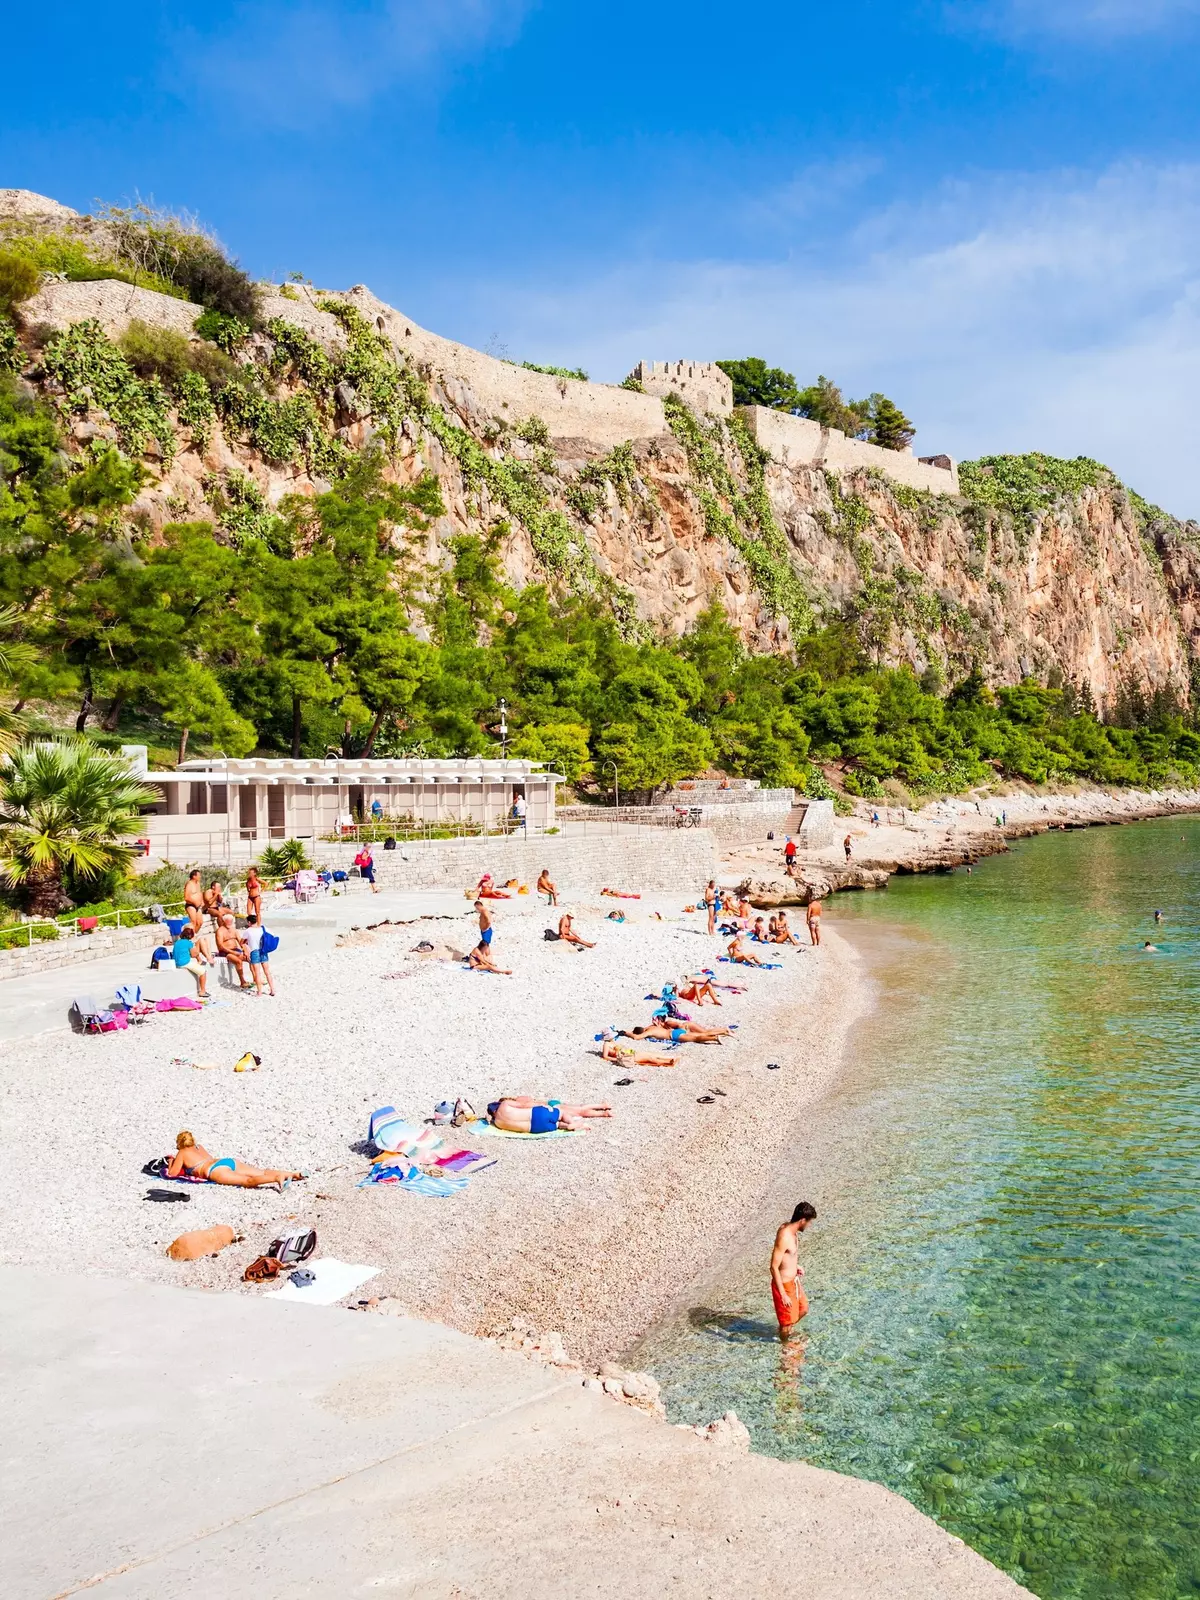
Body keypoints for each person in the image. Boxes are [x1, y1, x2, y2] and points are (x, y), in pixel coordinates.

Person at [167, 1131, 304, 1192]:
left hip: (215, 1171)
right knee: (261, 1172)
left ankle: (276, 1178)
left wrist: (171, 1161)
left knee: (247, 1182)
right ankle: (294, 1174)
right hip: (226, 1161)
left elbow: (172, 1173)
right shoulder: (199, 1147)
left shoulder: (182, 1153)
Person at [771, 1201, 817, 1339]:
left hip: (794, 1281)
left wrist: (795, 1266)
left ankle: (785, 1331)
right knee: (787, 1323)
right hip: (784, 1285)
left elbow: (787, 1256)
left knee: (803, 1309)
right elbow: (773, 1266)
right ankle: (785, 1345)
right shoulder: (785, 1236)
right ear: (802, 1220)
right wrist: (783, 1293)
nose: (809, 1226)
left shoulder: (792, 1230)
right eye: (809, 1222)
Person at [487, 1096, 611, 1133]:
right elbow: (524, 1105)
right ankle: (572, 1123)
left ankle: (569, 1126)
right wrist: (544, 1106)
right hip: (539, 1113)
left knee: (557, 1124)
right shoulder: (505, 1105)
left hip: (535, 1128)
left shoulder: (498, 1123)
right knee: (567, 1112)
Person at [214, 913, 253, 990]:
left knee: (251, 958)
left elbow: (241, 942)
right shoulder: (220, 931)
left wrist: (245, 950)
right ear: (224, 921)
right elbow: (220, 946)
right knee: (238, 961)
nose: (230, 923)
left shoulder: (233, 930)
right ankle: (243, 982)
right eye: (228, 921)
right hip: (225, 952)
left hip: (235, 949)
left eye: (231, 921)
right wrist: (233, 952)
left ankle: (255, 979)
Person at [627, 1019, 734, 1045]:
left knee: (696, 1038)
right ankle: (724, 1031)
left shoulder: (649, 1031)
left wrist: (626, 1033)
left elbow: (637, 1038)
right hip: (677, 1030)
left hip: (674, 1035)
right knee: (702, 1033)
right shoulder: (652, 1026)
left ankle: (715, 1038)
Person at [172, 925, 210, 997]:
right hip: (184, 963)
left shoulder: (177, 942)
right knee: (203, 972)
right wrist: (196, 950)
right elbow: (193, 955)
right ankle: (202, 991)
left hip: (175, 962)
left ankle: (200, 961)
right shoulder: (189, 943)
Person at [243, 912, 276, 997]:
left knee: (257, 973)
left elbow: (242, 942)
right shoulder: (263, 928)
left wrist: (246, 948)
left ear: (249, 922)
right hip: (263, 950)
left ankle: (259, 992)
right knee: (267, 971)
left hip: (254, 952)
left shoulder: (248, 931)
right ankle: (272, 989)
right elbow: (272, 935)